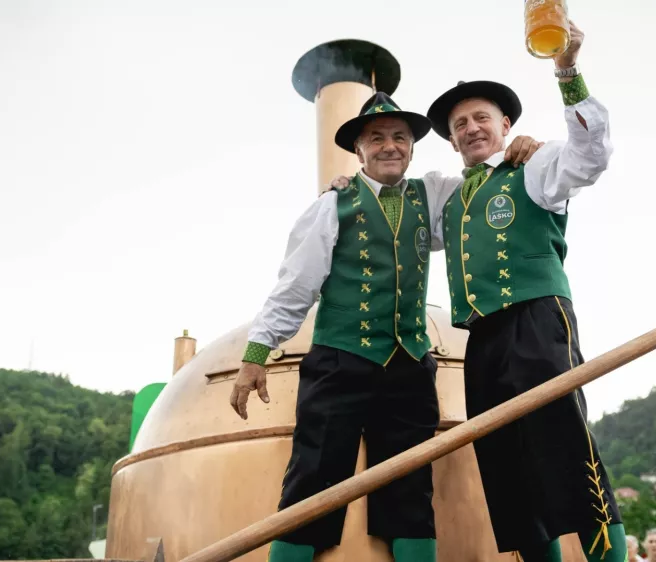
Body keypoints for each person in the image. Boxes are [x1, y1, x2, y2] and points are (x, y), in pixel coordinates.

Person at [230, 91, 542, 562]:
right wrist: (256, 356)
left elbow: (487, 186)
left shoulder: (436, 195)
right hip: (340, 362)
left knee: (411, 489)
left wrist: (522, 152)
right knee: (311, 481)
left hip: (410, 365)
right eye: (376, 138)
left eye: (399, 137)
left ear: (413, 147)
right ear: (358, 150)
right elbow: (295, 286)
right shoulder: (328, 208)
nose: (389, 146)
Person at [422, 19, 623, 562]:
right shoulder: (447, 197)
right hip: (480, 341)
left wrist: (567, 70)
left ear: (505, 124)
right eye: (459, 124)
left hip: (537, 319)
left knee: (563, 447)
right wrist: (348, 185)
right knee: (505, 468)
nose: (469, 128)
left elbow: (591, 155)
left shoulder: (534, 165)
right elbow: (390, 193)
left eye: (481, 117)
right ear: (451, 138)